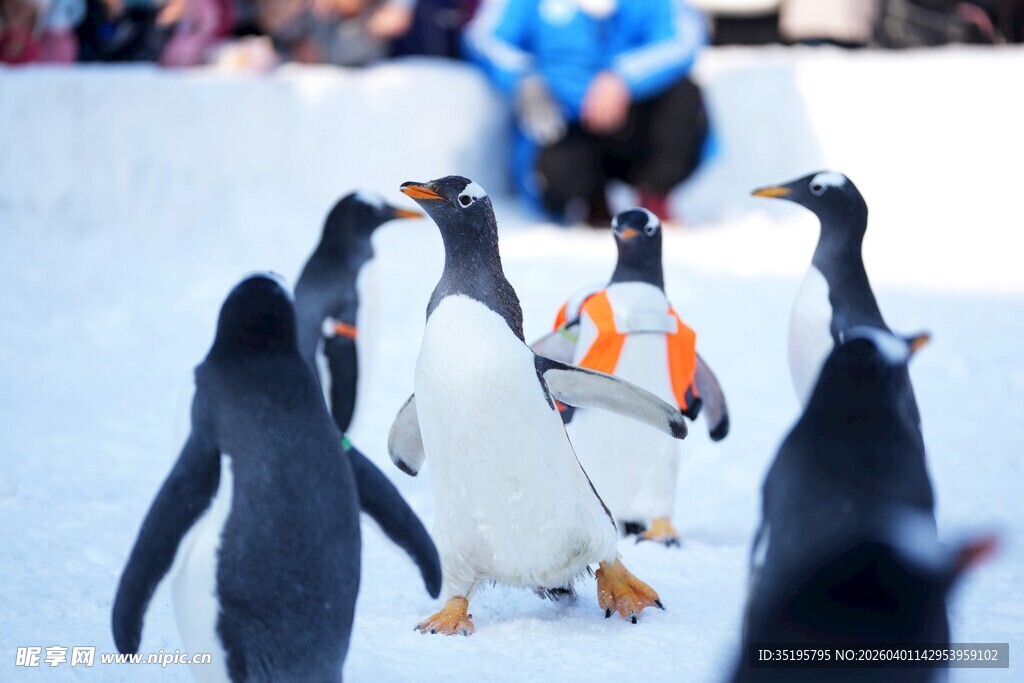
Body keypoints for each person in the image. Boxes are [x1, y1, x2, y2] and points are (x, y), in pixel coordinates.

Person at [465, 0, 710, 225]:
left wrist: (624, 78)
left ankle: (655, 196)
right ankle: (590, 205)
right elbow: (484, 38)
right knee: (554, 163)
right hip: (564, 118)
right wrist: (524, 79)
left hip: (632, 116)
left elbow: (684, 37)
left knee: (682, 94)